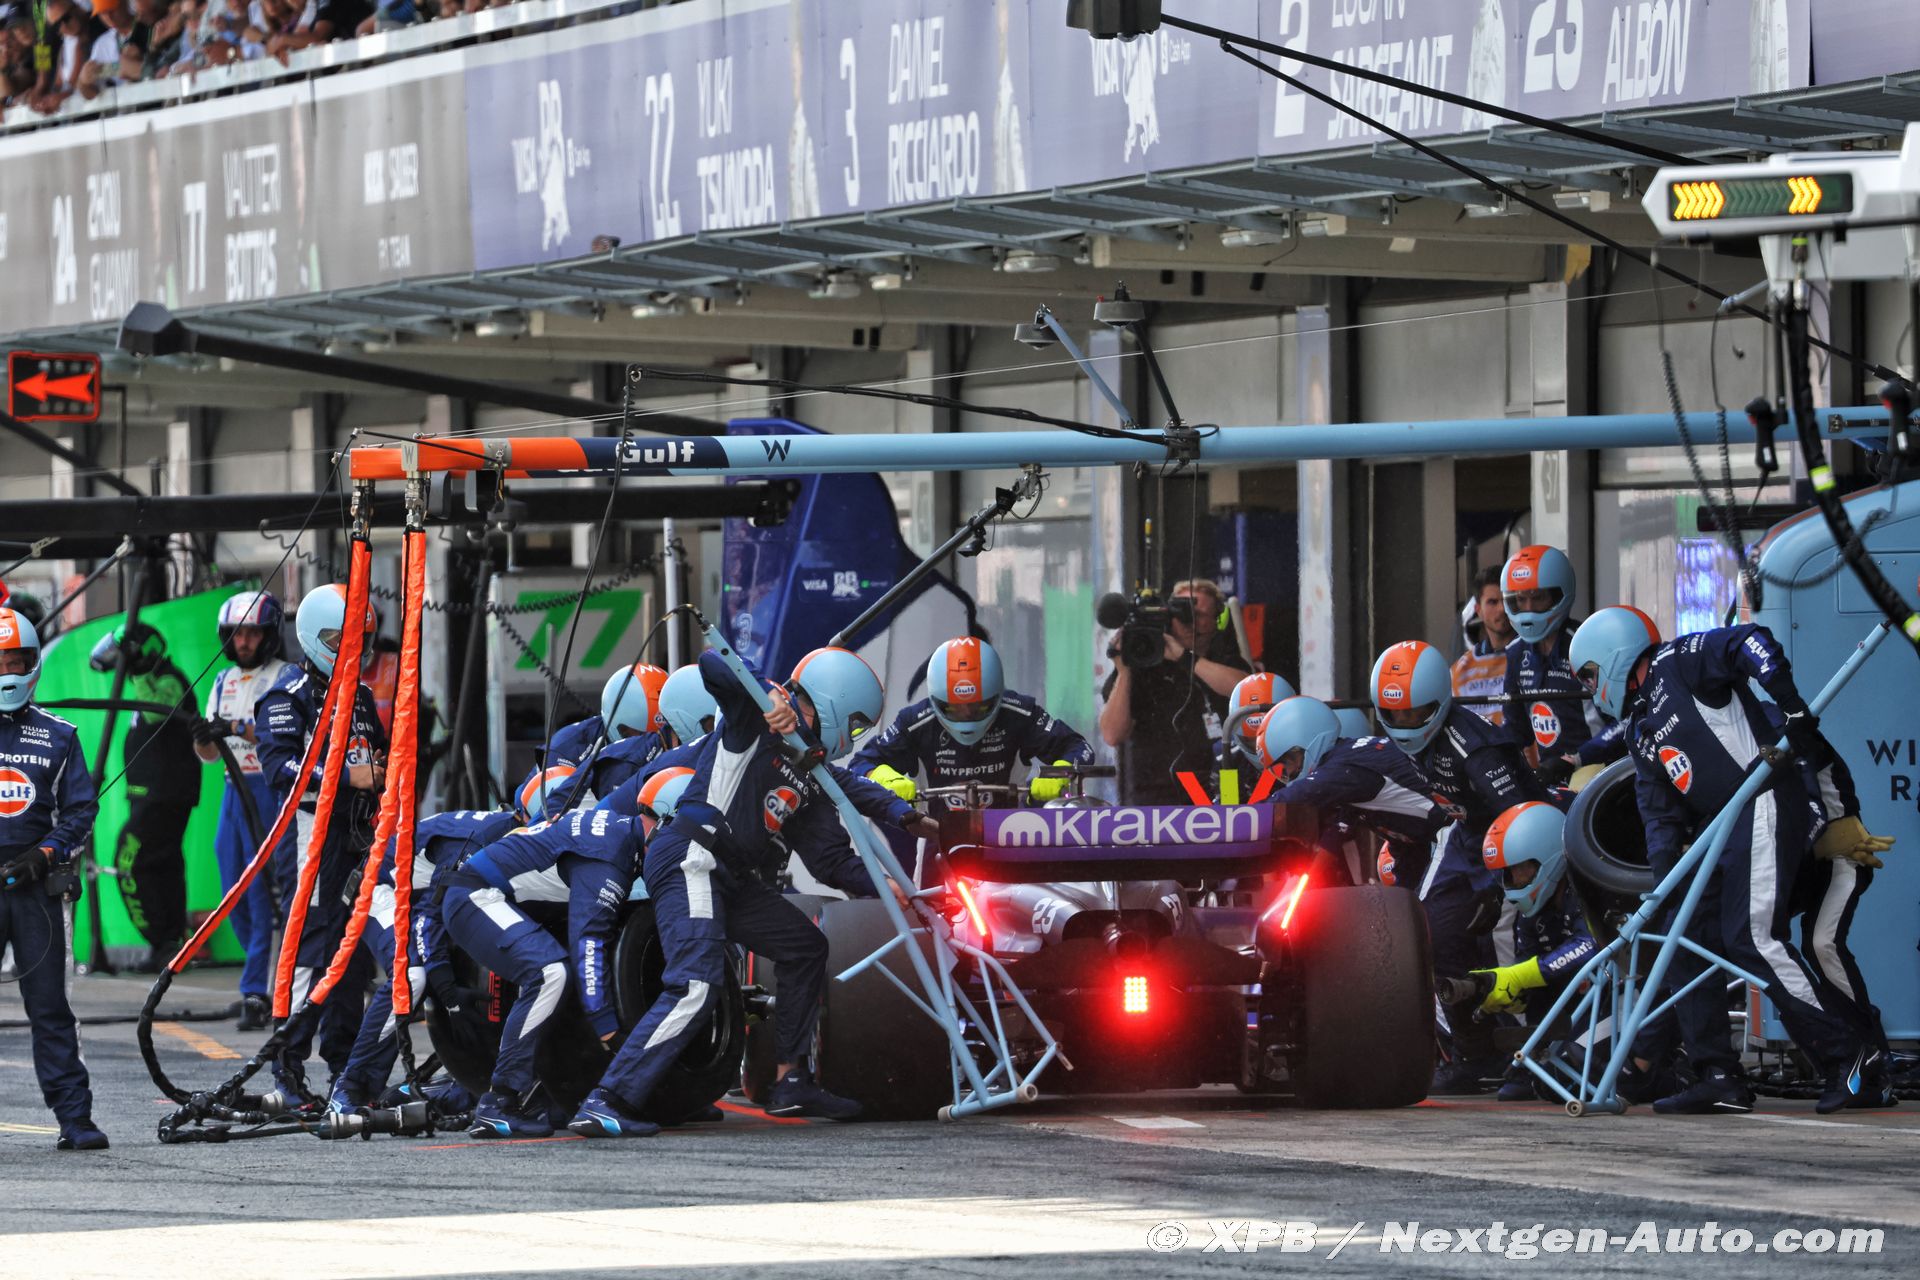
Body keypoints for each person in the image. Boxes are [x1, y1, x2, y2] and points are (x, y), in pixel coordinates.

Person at [568, 646, 937, 1139]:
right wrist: (767, 695)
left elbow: (832, 857)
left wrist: (896, 862)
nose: (852, 738)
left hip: (730, 876)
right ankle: (609, 1098)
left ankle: (790, 1081)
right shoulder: (753, 721)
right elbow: (712, 661)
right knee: (695, 984)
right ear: (834, 704)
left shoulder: (811, 774)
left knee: (804, 947)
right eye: (855, 726)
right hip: (692, 856)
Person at [1568, 606, 1889, 1114]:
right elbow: (1659, 816)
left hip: (1761, 797)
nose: (1591, 688)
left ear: (1611, 655)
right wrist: (1664, 886)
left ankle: (1850, 1058)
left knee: (1754, 939)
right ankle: (1717, 1076)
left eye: (1589, 675)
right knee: (1683, 935)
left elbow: (1750, 641)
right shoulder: (1639, 731)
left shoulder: (1678, 659)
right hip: (1722, 829)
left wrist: (1790, 704)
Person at [1370, 639, 1551, 1094]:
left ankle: (1529, 1057)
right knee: (1427, 930)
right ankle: (1473, 1053)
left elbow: (1521, 814)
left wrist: (1504, 883)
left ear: (1438, 701)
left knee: (1505, 940)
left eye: (1414, 713)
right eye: (1394, 715)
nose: (1404, 725)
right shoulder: (1399, 745)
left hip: (1514, 842)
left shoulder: (1476, 748)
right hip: (1463, 838)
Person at [255, 584, 387, 1107]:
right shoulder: (287, 695)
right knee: (311, 949)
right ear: (314, 637)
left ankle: (344, 1073)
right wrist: (346, 777)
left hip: (357, 837)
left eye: (362, 638)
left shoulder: (359, 696)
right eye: (342, 639)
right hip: (311, 836)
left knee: (352, 955)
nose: (355, 648)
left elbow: (379, 758)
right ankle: (287, 1072)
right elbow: (278, 769)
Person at [439, 805, 641, 1138]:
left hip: (487, 893)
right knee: (550, 973)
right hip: (475, 896)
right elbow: (588, 944)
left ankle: (538, 1093)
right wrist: (608, 1030)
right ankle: (499, 1103)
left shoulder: (615, 821)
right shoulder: (608, 859)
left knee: (555, 974)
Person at [328, 805, 521, 1117]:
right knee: (411, 976)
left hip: (421, 895)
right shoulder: (481, 842)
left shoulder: (515, 830)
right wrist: (447, 990)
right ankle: (350, 1085)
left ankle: (462, 1078)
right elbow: (427, 918)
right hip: (379, 889)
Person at [0, 607, 108, 1150]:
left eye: (16, 661)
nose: (8, 672)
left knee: (50, 1007)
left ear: (34, 664)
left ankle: (75, 1118)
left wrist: (45, 854)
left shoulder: (60, 735)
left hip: (36, 888)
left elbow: (81, 811)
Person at [851, 636, 1095, 810]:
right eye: (954, 709)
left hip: (1010, 831)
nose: (967, 715)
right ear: (936, 701)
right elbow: (860, 764)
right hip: (935, 833)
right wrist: (886, 779)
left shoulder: (1018, 712)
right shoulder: (915, 722)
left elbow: (1079, 747)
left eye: (978, 707)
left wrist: (1060, 774)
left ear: (997, 696)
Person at [192, 589, 288, 1031]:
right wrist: (202, 737)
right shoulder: (221, 681)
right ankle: (259, 980)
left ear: (269, 634)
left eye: (252, 633)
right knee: (231, 888)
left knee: (261, 890)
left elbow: (279, 736)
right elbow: (210, 756)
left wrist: (232, 726)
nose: (243, 641)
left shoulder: (286, 677)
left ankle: (257, 989)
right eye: (236, 633)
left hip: (270, 791)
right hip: (233, 790)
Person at [88, 620, 201, 971]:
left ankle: (163, 941)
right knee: (162, 866)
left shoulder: (169, 679)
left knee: (129, 861)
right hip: (150, 795)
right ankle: (169, 944)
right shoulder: (151, 681)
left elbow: (156, 713)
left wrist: (136, 671)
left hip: (164, 795)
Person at [1473, 800, 1596, 1101]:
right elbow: (1527, 966)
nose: (1514, 882)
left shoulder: (1588, 889)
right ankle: (1534, 1063)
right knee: (1553, 1083)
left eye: (1520, 870)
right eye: (1508, 873)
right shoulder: (1530, 914)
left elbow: (1590, 946)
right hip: (1576, 1004)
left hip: (1617, 998)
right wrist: (1511, 995)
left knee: (1581, 1074)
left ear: (1547, 855)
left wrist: (1520, 975)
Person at [1097, 579, 1250, 804]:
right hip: (1154, 799)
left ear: (1216, 620)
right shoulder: (1144, 662)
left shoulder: (1223, 654)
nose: (1190, 621)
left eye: (1200, 614)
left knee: (1231, 822)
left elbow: (1246, 689)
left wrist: (1185, 658)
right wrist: (1124, 670)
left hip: (1221, 791)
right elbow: (1112, 734)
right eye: (1182, 612)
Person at [1259, 695, 1447, 870]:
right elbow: (1406, 844)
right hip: (1443, 832)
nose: (1288, 773)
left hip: (1454, 827)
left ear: (1304, 742)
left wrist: (1246, 818)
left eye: (1290, 762)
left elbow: (1297, 795)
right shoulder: (1351, 765)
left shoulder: (1343, 768)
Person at [1499, 546, 1625, 785]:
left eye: (1538, 598)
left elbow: (1624, 721)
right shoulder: (1515, 653)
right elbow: (1514, 730)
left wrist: (1575, 759)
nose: (1528, 609)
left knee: (1579, 789)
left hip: (1601, 768)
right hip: (1550, 775)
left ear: (1559, 595)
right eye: (1521, 600)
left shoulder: (1587, 646)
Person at [1451, 563, 1512, 726]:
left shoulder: (1536, 655)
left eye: (1507, 600)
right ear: (1478, 610)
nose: (1502, 609)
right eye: (1492, 602)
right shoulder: (1460, 671)